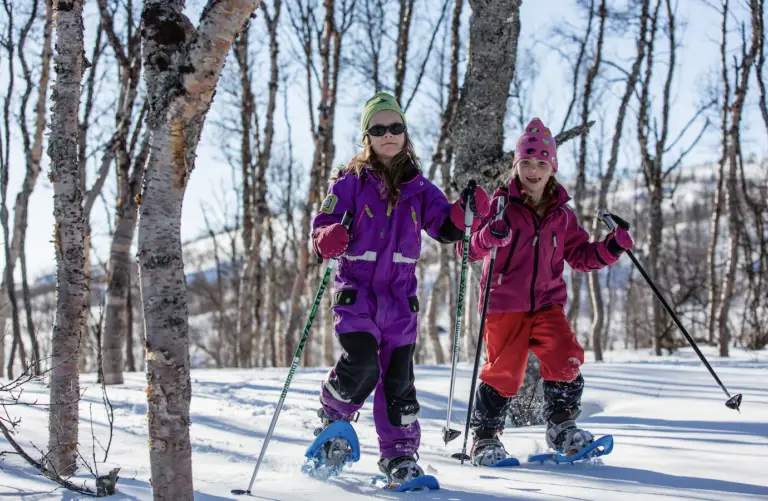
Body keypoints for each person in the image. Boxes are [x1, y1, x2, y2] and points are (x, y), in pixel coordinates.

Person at [311, 92, 489, 483]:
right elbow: (322, 225)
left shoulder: (421, 189)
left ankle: (400, 456)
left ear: (405, 134)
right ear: (367, 137)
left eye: (396, 127)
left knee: (399, 382)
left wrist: (466, 209)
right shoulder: (349, 184)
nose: (388, 134)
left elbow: (446, 227)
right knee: (361, 365)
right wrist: (328, 236)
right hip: (357, 293)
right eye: (379, 128)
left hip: (400, 301)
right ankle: (331, 417)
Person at [458, 117, 634, 466]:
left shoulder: (563, 216)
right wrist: (488, 235)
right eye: (526, 162)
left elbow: (581, 256)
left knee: (565, 355)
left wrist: (611, 248)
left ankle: (561, 426)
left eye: (541, 163)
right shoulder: (499, 207)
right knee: (504, 371)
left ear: (552, 167)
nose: (533, 170)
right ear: (516, 165)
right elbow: (468, 250)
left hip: (547, 303)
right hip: (504, 302)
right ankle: (486, 437)